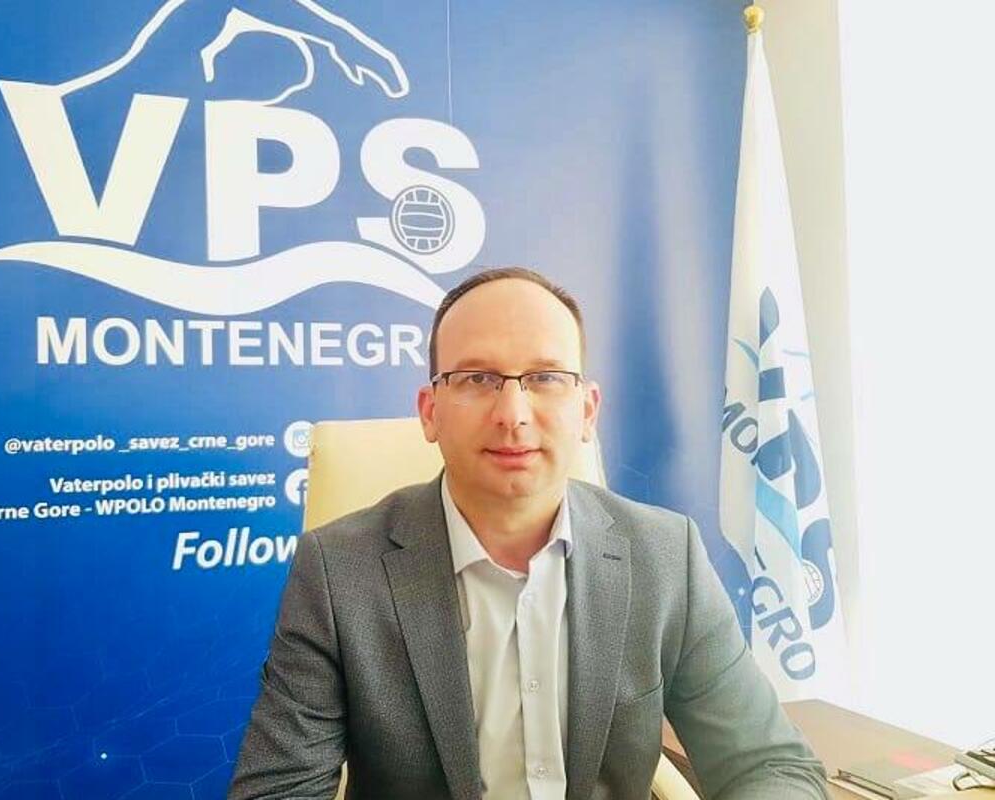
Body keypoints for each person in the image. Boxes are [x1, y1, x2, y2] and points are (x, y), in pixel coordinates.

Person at [229, 267, 828, 799]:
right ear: (430, 412)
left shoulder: (668, 556)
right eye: (477, 378)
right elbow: (276, 791)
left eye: (545, 377)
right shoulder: (337, 571)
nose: (513, 415)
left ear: (587, 410)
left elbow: (770, 765)